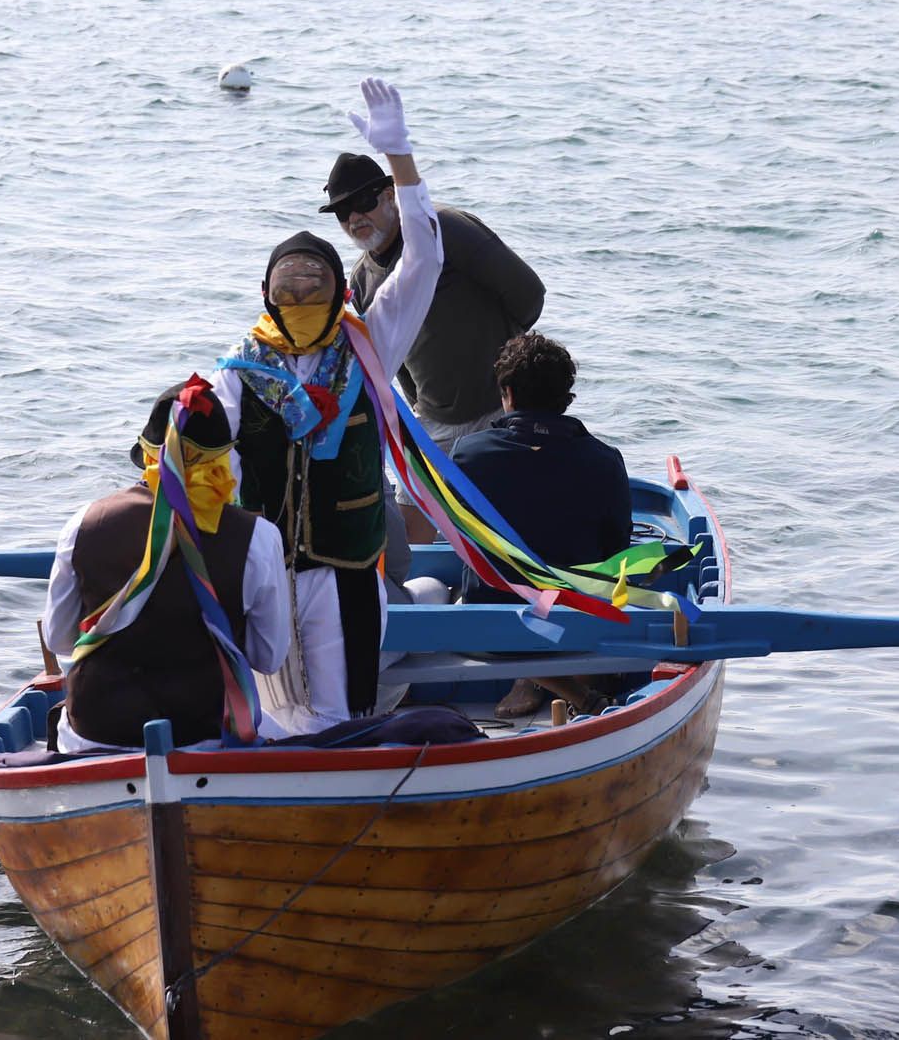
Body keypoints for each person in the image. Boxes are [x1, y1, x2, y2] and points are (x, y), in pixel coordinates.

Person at [209, 78, 443, 738]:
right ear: (265, 293)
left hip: (345, 568)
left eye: (316, 279)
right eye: (289, 282)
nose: (302, 290)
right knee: (270, 713)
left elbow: (424, 256)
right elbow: (197, 448)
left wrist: (399, 160)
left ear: (340, 287)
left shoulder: (370, 344)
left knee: (342, 713)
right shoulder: (241, 368)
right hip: (265, 570)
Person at [42, 377, 291, 754]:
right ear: (224, 459)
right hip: (201, 737)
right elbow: (267, 658)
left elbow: (59, 639)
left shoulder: (84, 523)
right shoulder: (259, 537)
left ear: (147, 455)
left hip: (93, 734)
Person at [451, 332, 632, 717]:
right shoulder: (605, 460)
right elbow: (618, 549)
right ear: (565, 400)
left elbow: (459, 540)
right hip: (575, 628)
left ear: (508, 394)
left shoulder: (468, 453)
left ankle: (538, 681)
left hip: (489, 632)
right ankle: (566, 687)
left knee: (430, 586)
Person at [322, 150, 545, 454]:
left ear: (389, 195)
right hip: (433, 421)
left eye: (364, 202)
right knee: (411, 501)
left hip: (503, 406)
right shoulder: (361, 279)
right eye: (342, 211)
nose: (354, 217)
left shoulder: (443, 228)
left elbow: (528, 294)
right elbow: (393, 359)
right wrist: (421, 408)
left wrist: (508, 368)